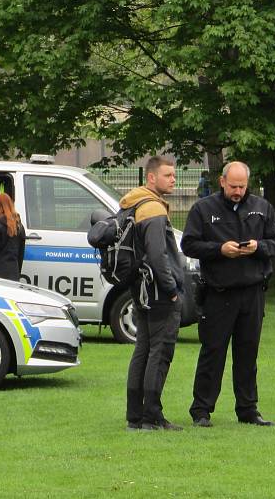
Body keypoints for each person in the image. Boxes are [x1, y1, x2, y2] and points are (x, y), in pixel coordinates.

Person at [181, 161, 275, 428]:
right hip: (218, 293)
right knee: (213, 352)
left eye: (242, 186)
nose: (238, 191)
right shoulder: (204, 209)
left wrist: (258, 247)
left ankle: (248, 409)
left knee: (248, 353)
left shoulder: (263, 208)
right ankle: (201, 411)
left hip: (252, 292)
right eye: (233, 186)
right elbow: (189, 244)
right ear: (222, 182)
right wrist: (219, 250)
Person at [121, 156, 185, 431]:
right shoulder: (154, 210)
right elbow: (159, 257)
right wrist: (172, 290)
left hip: (140, 288)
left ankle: (134, 416)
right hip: (158, 291)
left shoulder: (131, 204)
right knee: (160, 352)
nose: (173, 179)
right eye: (168, 175)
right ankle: (152, 416)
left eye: (174, 175)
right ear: (151, 178)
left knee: (143, 350)